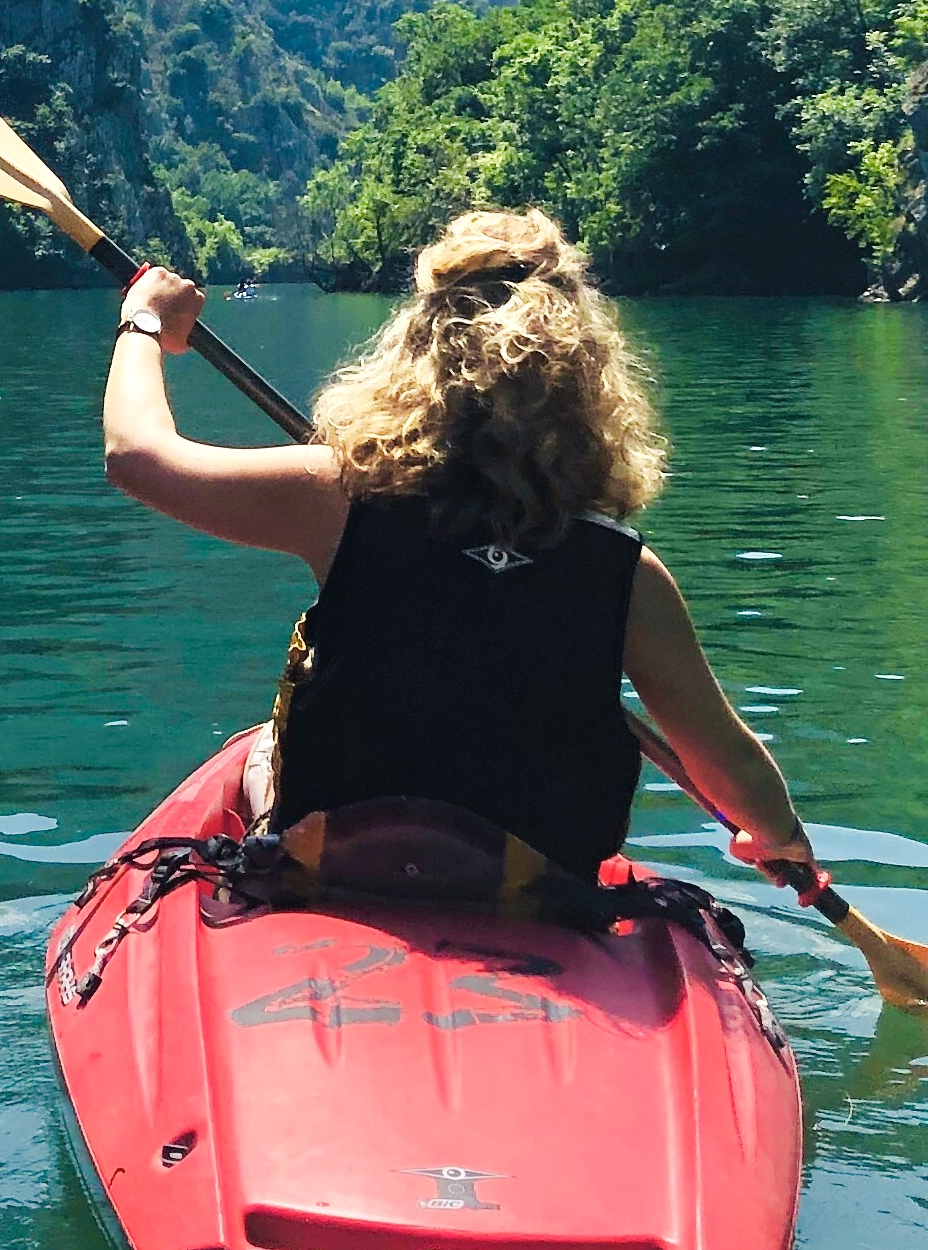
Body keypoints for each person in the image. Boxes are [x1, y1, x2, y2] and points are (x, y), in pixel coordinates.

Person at [100, 208, 811, 890]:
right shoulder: (626, 571)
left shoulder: (336, 498)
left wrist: (145, 321)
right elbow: (734, 771)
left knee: (257, 753)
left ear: (420, 349)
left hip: (339, 863)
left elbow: (137, 456)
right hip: (536, 888)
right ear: (585, 381)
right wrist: (777, 837)